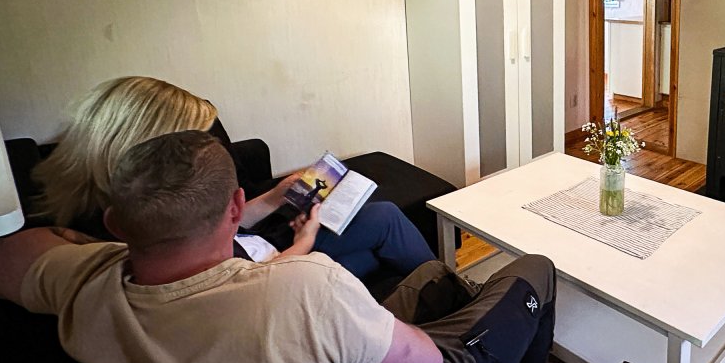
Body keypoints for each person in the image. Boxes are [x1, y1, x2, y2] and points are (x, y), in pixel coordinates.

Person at [0, 129, 556, 363]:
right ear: (235, 207)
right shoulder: (306, 287)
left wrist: (84, 247)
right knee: (535, 269)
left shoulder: (85, 285)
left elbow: (2, 255)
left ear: (112, 221)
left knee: (431, 274)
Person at [32, 76, 435, 281]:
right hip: (273, 271)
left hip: (263, 249)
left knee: (383, 220)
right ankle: (445, 297)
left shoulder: (151, 200)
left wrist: (276, 196)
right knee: (379, 244)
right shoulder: (137, 233)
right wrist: (305, 244)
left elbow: (220, 227)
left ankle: (439, 291)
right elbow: (241, 289)